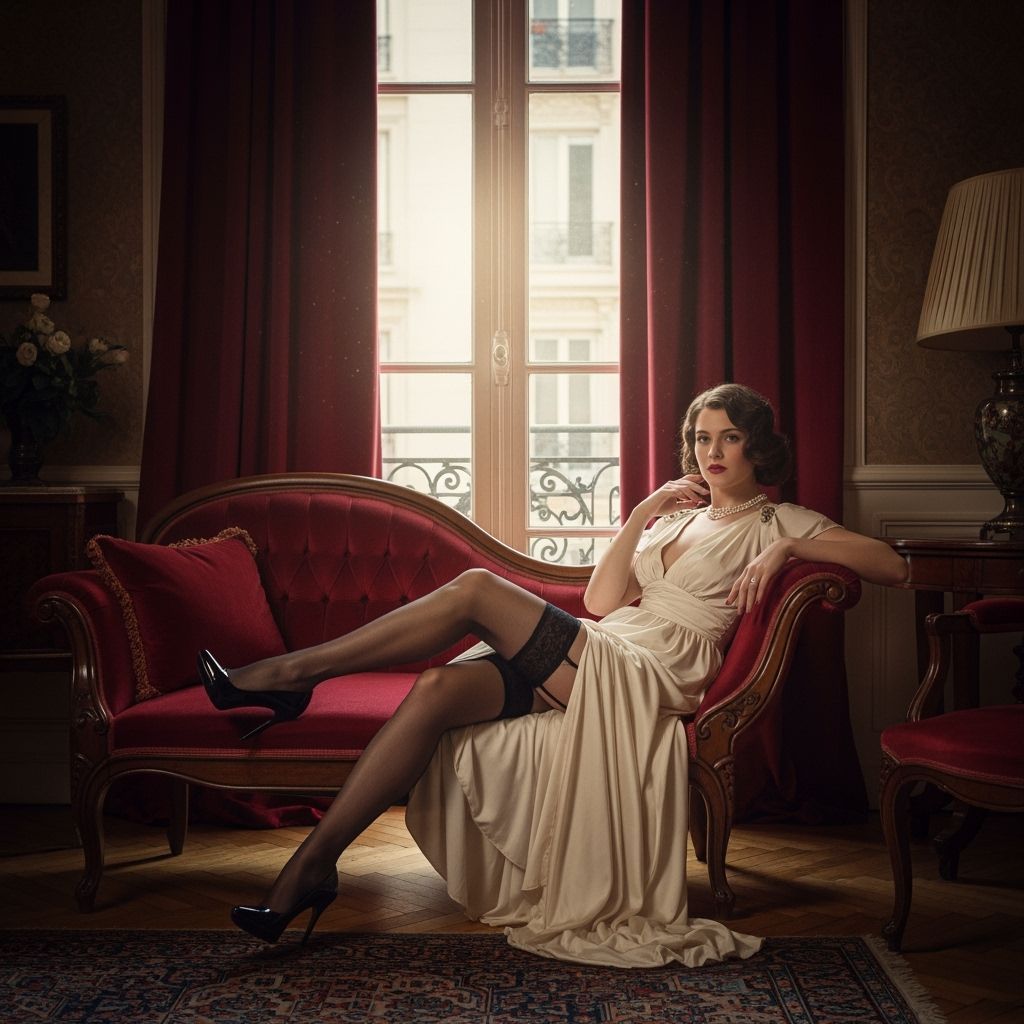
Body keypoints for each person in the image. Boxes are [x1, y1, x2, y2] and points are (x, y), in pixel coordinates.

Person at [199, 382, 907, 967]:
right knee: (439, 688)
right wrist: (640, 514)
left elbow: (892, 564)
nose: (712, 451)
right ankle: (313, 867)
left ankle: (290, 675)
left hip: (653, 669)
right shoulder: (672, 521)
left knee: (476, 589)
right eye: (700, 437)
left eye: (727, 436)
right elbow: (601, 602)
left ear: (758, 444)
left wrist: (785, 548)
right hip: (610, 645)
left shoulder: (779, 518)